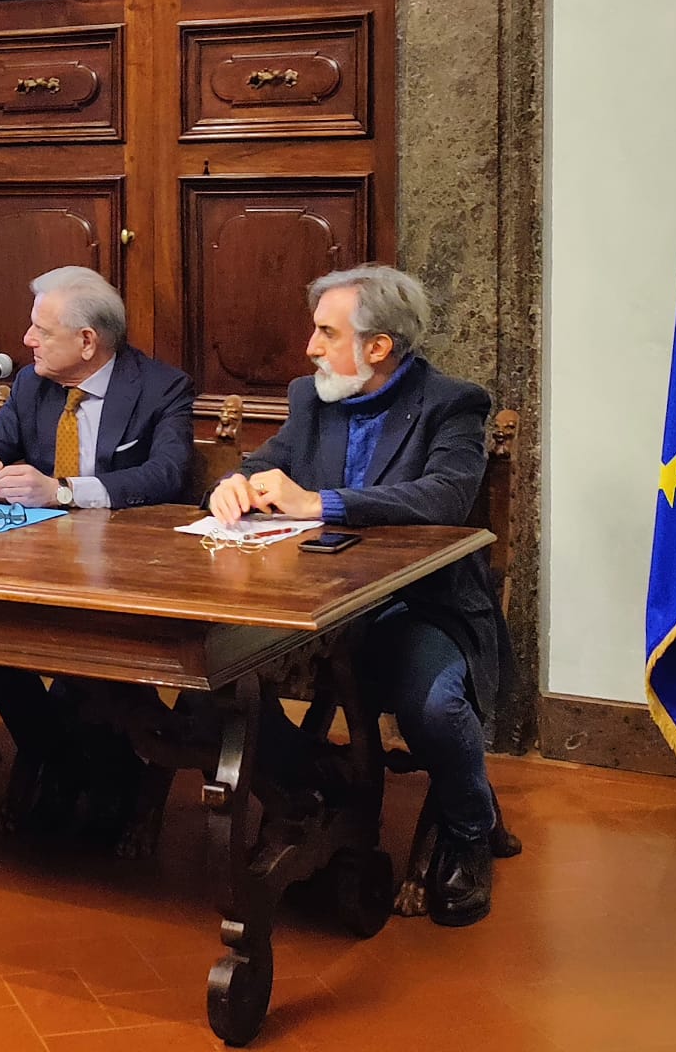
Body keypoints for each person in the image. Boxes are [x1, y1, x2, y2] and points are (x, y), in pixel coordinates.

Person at [209, 263, 499, 927]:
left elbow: (445, 497)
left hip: (417, 603)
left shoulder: (452, 403)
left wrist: (321, 503)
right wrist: (232, 486)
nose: (310, 346)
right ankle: (313, 788)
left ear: (378, 346)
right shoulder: (313, 397)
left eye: (326, 332)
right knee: (215, 679)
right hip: (312, 601)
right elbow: (265, 464)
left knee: (434, 707)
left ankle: (468, 829)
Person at [0, 266, 195, 837]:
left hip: (124, 570)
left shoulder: (161, 387)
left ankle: (106, 774)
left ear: (87, 341)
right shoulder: (31, 385)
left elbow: (167, 474)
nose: (27, 340)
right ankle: (55, 756)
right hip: (35, 563)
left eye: (41, 330)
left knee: (86, 656)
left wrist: (62, 491)